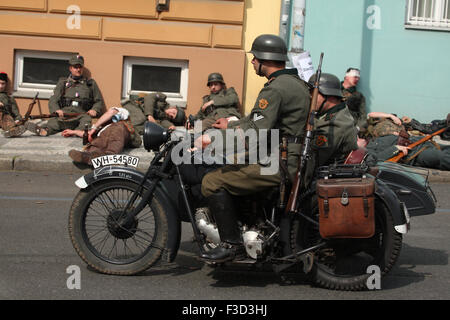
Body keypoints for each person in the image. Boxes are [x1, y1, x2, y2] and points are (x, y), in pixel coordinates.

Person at [192, 34, 311, 262]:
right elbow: (256, 122)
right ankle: (247, 222)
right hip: (285, 156)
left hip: (281, 162)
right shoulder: (294, 84)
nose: (253, 62)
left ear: (265, 59)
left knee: (212, 181)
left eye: (255, 58)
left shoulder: (275, 89)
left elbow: (255, 134)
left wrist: (212, 141)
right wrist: (231, 124)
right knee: (232, 164)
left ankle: (231, 243)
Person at [30, 55, 105, 136]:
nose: (78, 69)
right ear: (70, 68)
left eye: (80, 67)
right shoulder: (63, 82)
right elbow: (54, 99)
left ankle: (75, 133)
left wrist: (95, 110)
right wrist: (56, 110)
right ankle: (44, 131)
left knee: (86, 121)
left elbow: (98, 101)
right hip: (64, 115)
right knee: (53, 122)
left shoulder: (90, 83)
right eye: (75, 67)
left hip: (81, 115)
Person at [308, 73, 358, 169]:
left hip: (324, 176)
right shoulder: (336, 113)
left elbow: (311, 162)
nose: (310, 97)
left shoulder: (335, 124)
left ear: (329, 96)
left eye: (313, 93)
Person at [67, 106, 142, 166]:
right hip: (105, 140)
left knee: (118, 128)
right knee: (98, 141)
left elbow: (111, 112)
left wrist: (94, 127)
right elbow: (89, 134)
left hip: (124, 136)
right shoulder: (103, 128)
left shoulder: (123, 114)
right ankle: (88, 157)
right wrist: (74, 132)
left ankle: (110, 156)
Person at [360, 134, 450, 171]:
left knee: (445, 148)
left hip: (416, 142)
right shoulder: (367, 152)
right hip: (413, 154)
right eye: (355, 140)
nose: (357, 138)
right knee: (440, 156)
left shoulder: (371, 139)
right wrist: (394, 148)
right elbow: (373, 161)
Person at [0, 72, 26, 137]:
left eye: (3, 84)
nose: (0, 86)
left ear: (6, 84)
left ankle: (12, 130)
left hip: (6, 119)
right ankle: (11, 130)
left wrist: (18, 119)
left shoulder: (9, 98)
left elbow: (15, 112)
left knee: (9, 119)